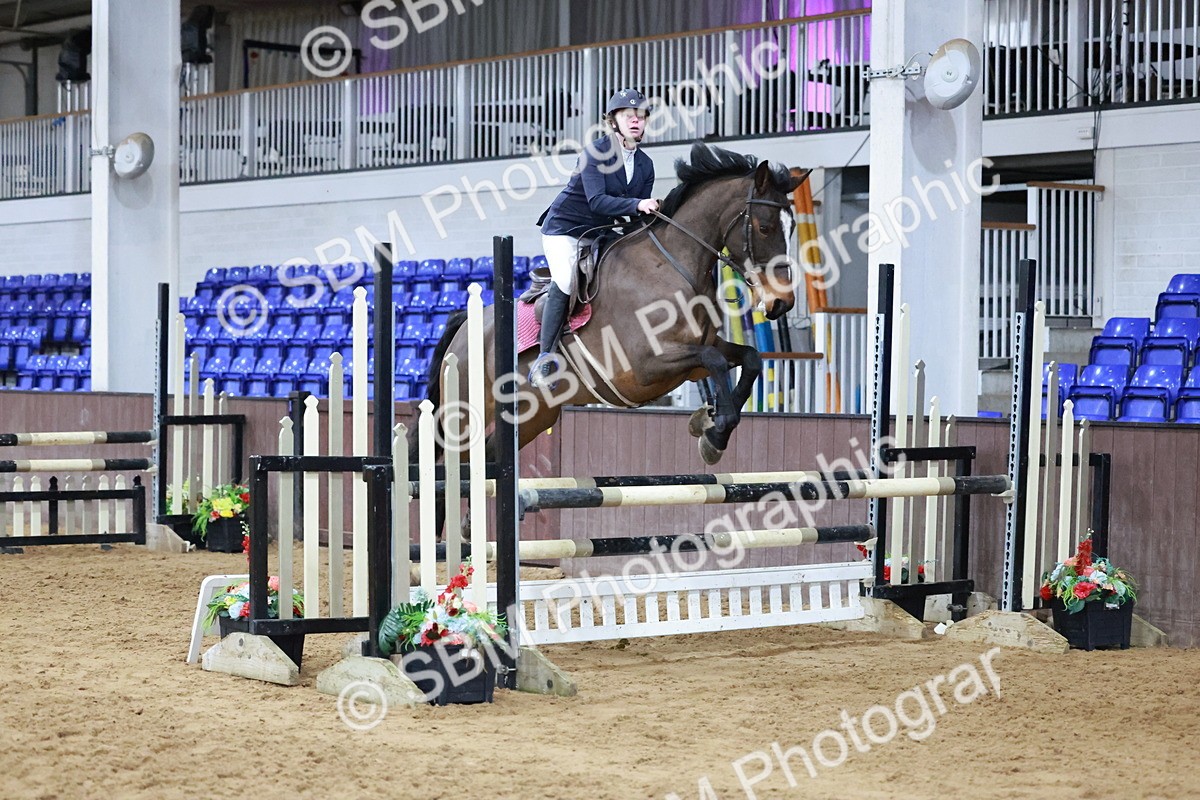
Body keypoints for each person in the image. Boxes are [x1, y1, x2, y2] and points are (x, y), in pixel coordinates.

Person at [531, 88, 659, 387]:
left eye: (641, 116)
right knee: (565, 280)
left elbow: (636, 216)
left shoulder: (645, 165)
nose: (636, 121)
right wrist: (639, 204)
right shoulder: (595, 153)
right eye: (628, 116)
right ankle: (544, 359)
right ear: (613, 122)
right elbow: (598, 201)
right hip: (565, 229)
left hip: (600, 232)